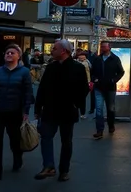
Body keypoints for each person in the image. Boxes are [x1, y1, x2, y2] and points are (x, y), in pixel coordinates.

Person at [34, 39, 90, 182]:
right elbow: (42, 88)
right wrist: (38, 107)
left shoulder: (77, 68)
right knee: (46, 137)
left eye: (54, 48)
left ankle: (64, 170)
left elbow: (84, 89)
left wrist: (75, 104)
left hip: (67, 110)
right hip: (50, 109)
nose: (51, 51)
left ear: (63, 51)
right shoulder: (51, 67)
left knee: (66, 141)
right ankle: (49, 166)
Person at [0, 44, 33, 184]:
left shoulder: (24, 72)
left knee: (15, 140)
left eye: (12, 53)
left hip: (15, 112)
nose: (9, 55)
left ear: (18, 56)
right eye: (7, 53)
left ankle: (18, 158)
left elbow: (27, 93)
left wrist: (25, 111)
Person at [90, 41, 125, 139]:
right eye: (102, 46)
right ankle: (99, 130)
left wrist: (114, 80)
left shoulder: (115, 59)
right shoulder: (97, 59)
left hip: (110, 88)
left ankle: (111, 125)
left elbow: (121, 71)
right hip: (99, 87)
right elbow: (92, 71)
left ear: (109, 47)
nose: (102, 48)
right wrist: (94, 79)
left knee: (110, 108)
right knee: (99, 109)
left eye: (104, 46)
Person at [75, 52, 91, 119]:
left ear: (85, 57)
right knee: (80, 98)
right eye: (80, 55)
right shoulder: (76, 62)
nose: (81, 57)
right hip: (77, 82)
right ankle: (81, 112)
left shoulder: (86, 63)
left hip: (86, 82)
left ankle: (81, 112)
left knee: (82, 98)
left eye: (83, 55)